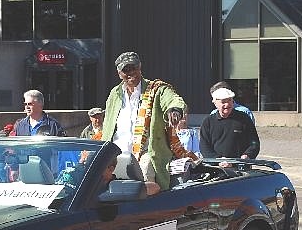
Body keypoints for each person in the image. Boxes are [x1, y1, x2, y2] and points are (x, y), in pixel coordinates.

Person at [101, 51, 188, 191]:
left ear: (140, 67)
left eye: (134, 68)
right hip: (116, 154)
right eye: (126, 70)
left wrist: (175, 110)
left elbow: (172, 99)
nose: (131, 73)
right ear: (119, 73)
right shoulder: (114, 94)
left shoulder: (156, 89)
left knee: (145, 173)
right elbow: (107, 127)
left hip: (146, 153)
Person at [199, 86, 260, 161]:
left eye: (229, 101)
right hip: (217, 167)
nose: (227, 104)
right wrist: (218, 160)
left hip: (240, 166)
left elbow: (254, 142)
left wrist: (248, 155)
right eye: (223, 102)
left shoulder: (244, 118)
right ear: (215, 103)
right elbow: (204, 147)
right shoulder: (208, 122)